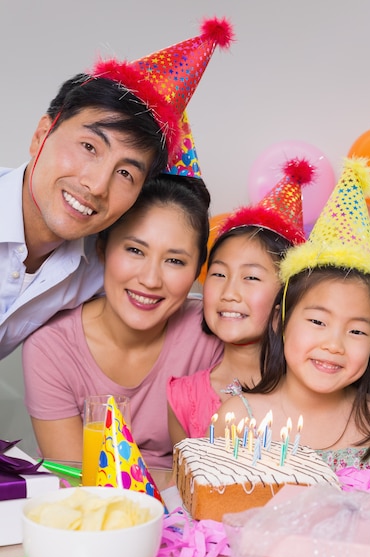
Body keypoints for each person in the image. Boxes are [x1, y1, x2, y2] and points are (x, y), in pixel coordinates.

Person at [0, 16, 234, 359]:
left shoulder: (103, 262)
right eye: (89, 147)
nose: (95, 186)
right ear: (41, 135)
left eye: (126, 173)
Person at [215, 158, 370, 486]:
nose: (334, 345)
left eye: (356, 330)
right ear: (280, 322)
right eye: (318, 322)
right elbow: (214, 522)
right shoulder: (238, 420)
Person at [22, 172, 223, 469]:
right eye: (135, 250)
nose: (150, 279)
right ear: (102, 249)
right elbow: (80, 482)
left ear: (196, 272)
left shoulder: (211, 331)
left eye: (175, 261)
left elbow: (225, 468)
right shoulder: (50, 348)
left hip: (188, 510)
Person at [168, 158, 316, 446]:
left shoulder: (314, 389)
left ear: (286, 294)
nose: (229, 293)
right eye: (219, 274)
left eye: (250, 278)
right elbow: (182, 487)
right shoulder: (182, 398)